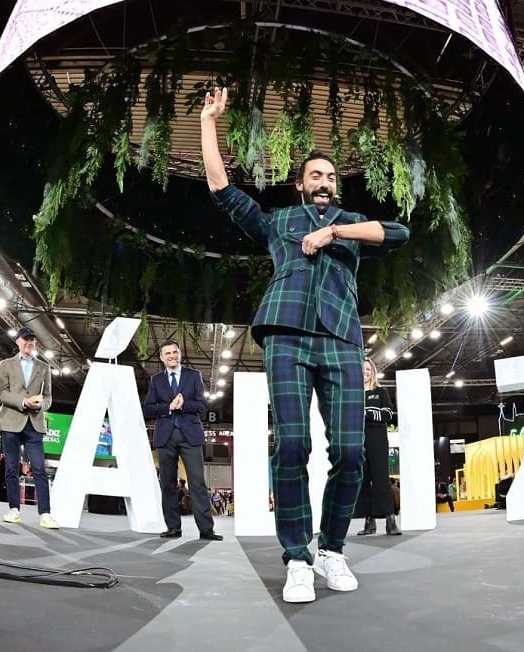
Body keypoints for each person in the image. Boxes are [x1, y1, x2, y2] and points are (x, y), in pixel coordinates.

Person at [202, 86, 410, 603]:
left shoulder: (352, 226)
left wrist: (337, 233)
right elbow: (222, 189)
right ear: (300, 186)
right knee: (292, 445)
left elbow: (400, 232)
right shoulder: (279, 222)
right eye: (315, 176)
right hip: (287, 334)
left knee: (350, 452)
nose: (324, 182)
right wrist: (209, 121)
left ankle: (331, 550)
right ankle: (297, 557)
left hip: (341, 339)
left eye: (331, 177)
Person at [143, 341, 220, 540]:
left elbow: (202, 406)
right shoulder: (156, 380)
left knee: (198, 483)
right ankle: (173, 528)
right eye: (167, 353)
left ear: (180, 354)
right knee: (167, 484)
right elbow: (149, 408)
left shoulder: (193, 376)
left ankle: (206, 530)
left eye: (175, 352)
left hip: (190, 435)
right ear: (161, 357)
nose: (171, 356)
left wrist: (184, 405)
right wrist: (169, 406)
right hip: (165, 436)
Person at [0, 327, 57, 528]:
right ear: (18, 342)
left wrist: (41, 404)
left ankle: (45, 513)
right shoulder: (5, 365)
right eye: (25, 340)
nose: (29, 343)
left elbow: (48, 396)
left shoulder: (44, 368)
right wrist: (24, 401)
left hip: (35, 423)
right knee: (11, 468)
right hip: (11, 421)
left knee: (39, 468)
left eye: (32, 340)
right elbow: (1, 394)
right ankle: (14, 509)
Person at [357, 359, 399, 536]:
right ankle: (369, 522)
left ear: (372, 371)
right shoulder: (354, 393)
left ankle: (390, 521)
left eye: (368, 369)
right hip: (358, 439)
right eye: (362, 369)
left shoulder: (380, 392)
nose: (365, 372)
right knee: (363, 480)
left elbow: (388, 413)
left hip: (377, 439)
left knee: (381, 478)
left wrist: (367, 413)